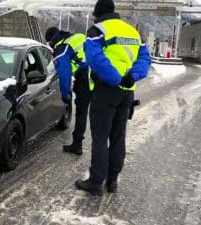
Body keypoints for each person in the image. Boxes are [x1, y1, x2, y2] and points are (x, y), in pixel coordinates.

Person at [75, 0, 151, 195]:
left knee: (100, 137)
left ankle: (95, 182)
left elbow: (94, 58)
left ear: (96, 13)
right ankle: (113, 180)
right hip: (127, 93)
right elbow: (144, 58)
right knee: (118, 136)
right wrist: (131, 76)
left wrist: (115, 78)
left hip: (106, 90)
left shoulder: (98, 30)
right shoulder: (132, 32)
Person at [45, 27, 92, 155]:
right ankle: (104, 148)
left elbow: (64, 74)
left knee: (82, 113)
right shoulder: (79, 36)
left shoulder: (61, 50)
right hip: (100, 76)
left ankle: (77, 145)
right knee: (101, 113)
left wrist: (65, 95)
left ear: (51, 41)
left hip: (85, 79)